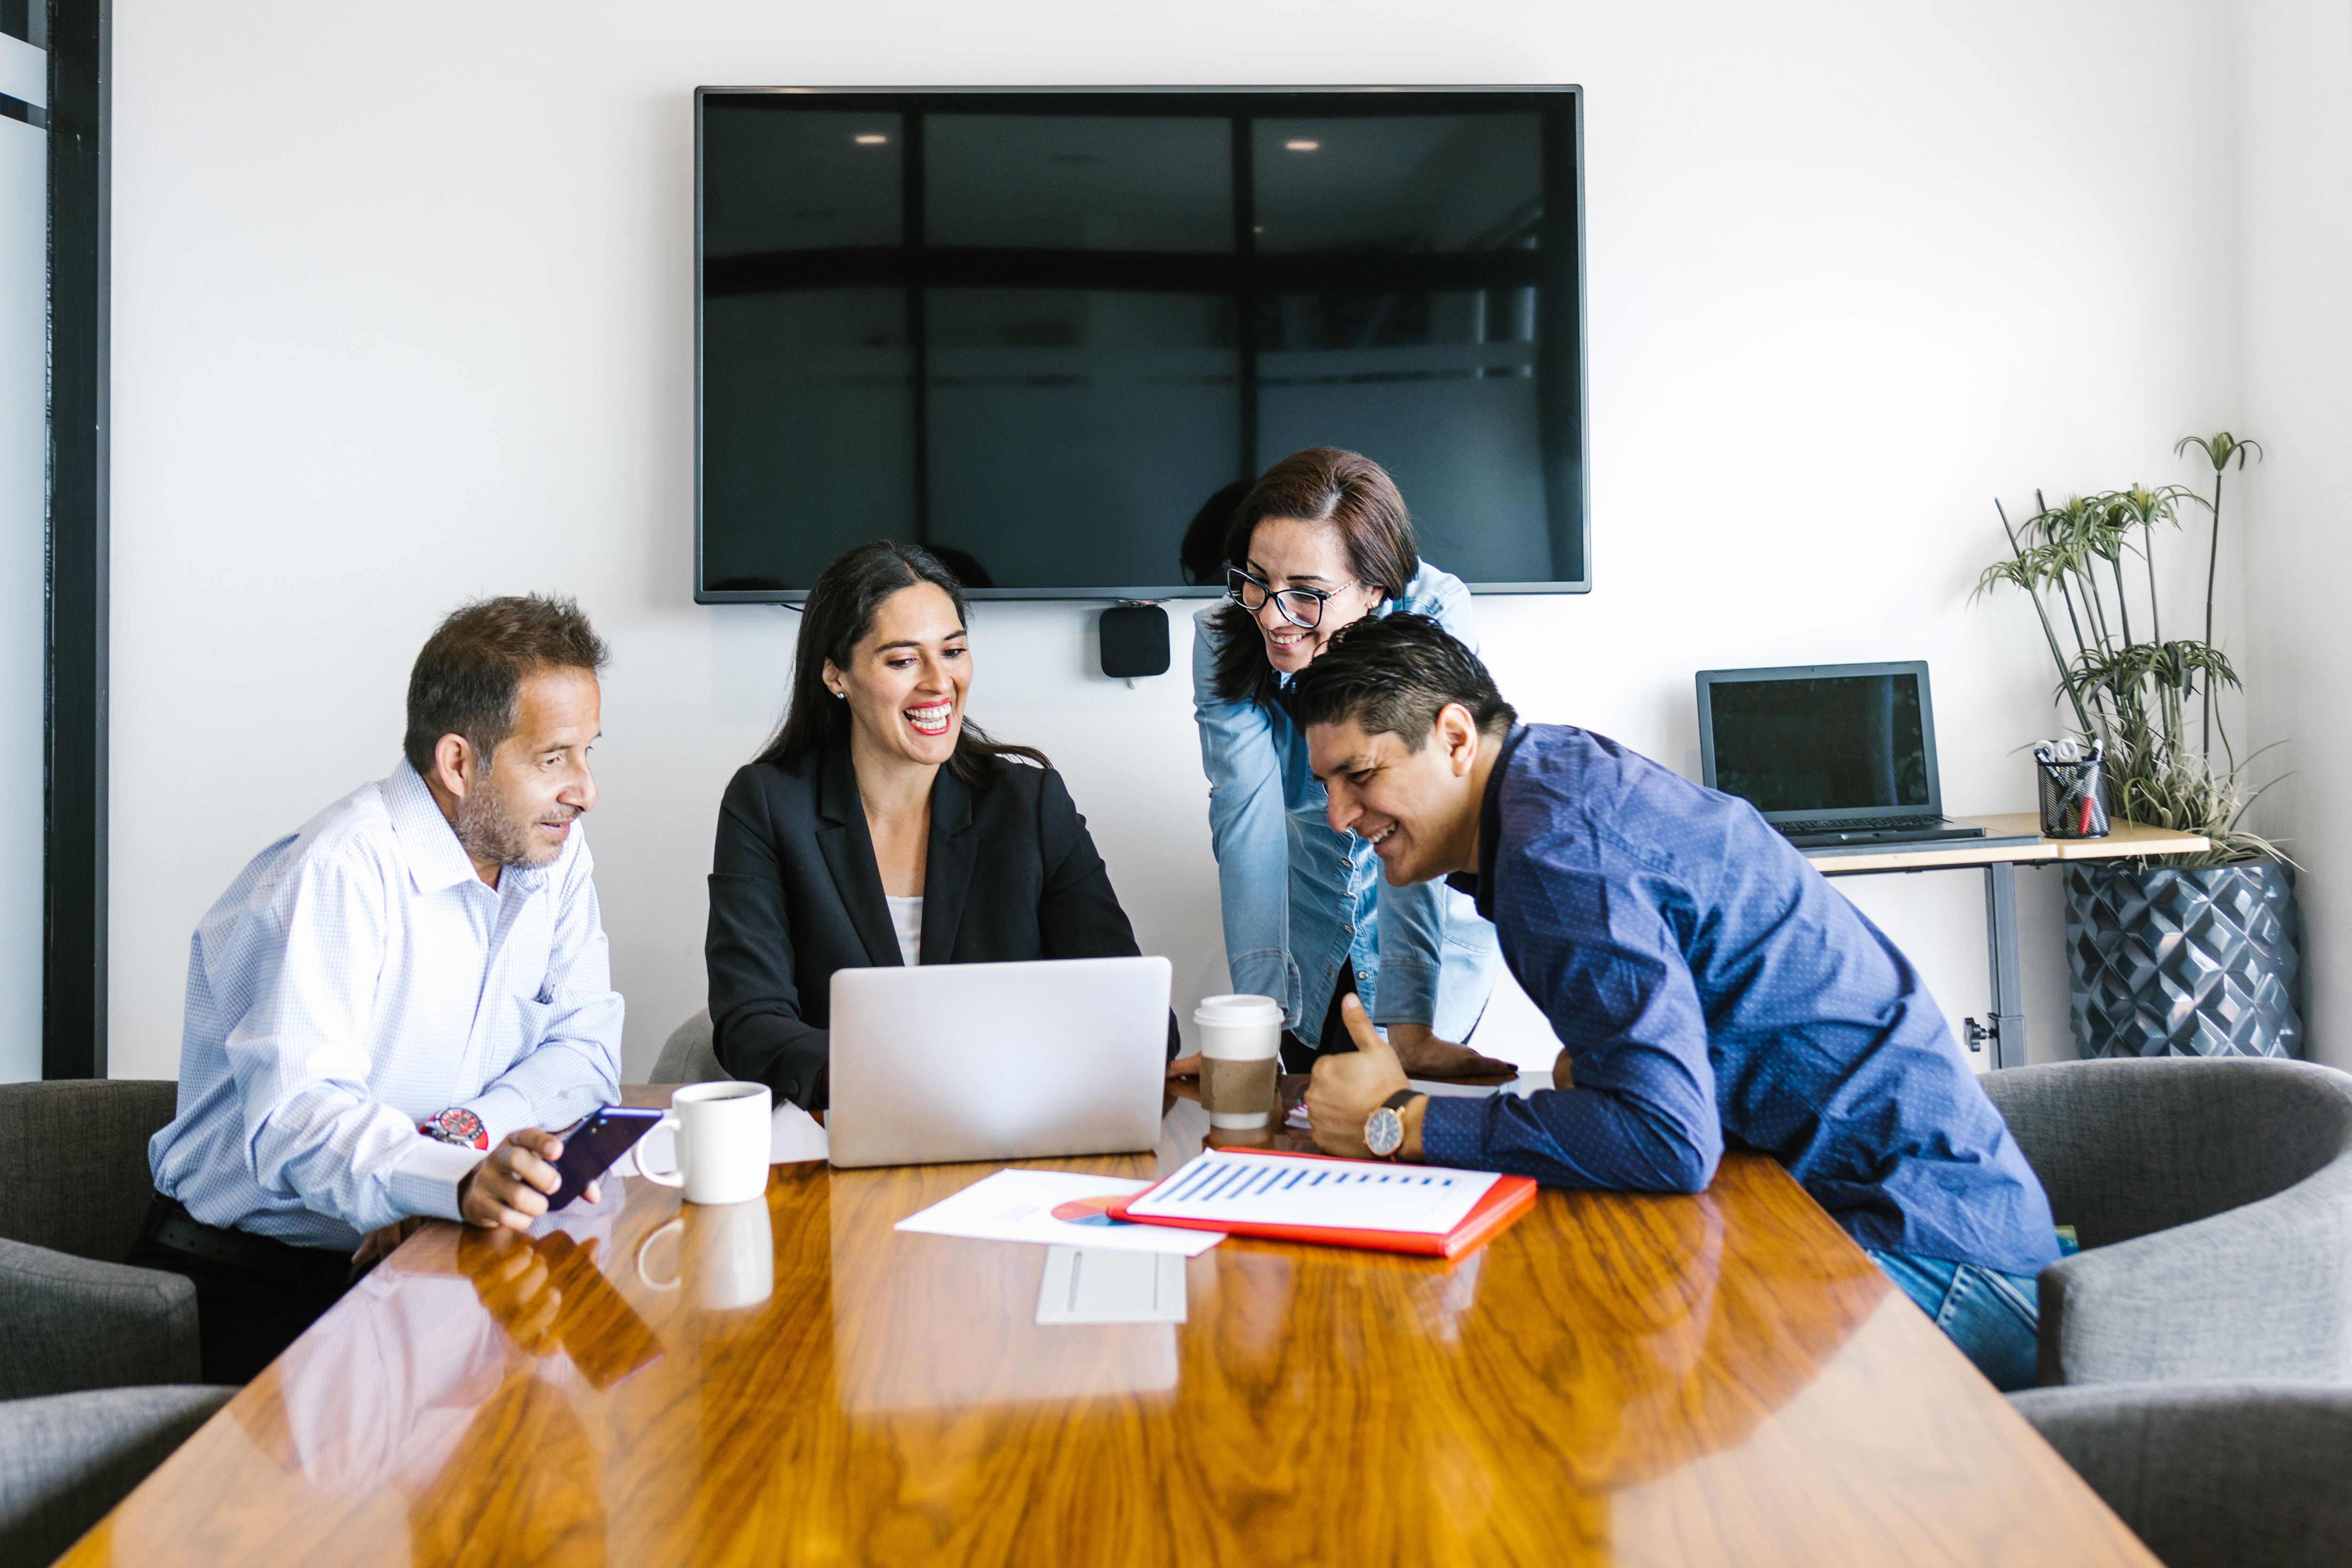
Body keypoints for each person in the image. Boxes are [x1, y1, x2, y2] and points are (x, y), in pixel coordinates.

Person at [1289, 615, 2061, 1391]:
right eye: (1326, 785)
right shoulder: (1550, 776)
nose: (1338, 816)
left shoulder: (1551, 854)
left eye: (1359, 776)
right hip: (1921, 1221)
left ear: (1454, 736)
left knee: (1560, 1356)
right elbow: (1656, 1080)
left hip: (1939, 1261)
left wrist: (1395, 1120)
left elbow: (1664, 1137)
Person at [130, 596, 627, 1383]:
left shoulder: (553, 853)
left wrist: (450, 1163)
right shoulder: (338, 871)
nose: (586, 790)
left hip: (432, 1247)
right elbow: (298, 1119)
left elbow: (585, 1052)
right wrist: (441, 1182)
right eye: (554, 758)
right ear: (459, 763)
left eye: (588, 752)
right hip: (259, 1281)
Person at [706, 540, 1172, 1111]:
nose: (938, 681)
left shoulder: (1029, 805)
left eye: (952, 651)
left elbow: (1138, 1012)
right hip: (843, 1130)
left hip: (1015, 1122)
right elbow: (749, 1020)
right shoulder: (768, 805)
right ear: (836, 675)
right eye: (902, 660)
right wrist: (881, 1083)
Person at [1186, 447, 1506, 1077]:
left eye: (1306, 594)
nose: (1274, 617)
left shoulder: (1434, 617)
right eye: (1256, 580)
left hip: (1428, 935)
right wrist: (1257, 1021)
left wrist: (1410, 1026)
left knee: (1405, 1130)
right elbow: (1247, 824)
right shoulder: (1228, 638)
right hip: (1306, 933)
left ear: (1374, 587)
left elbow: (1423, 819)